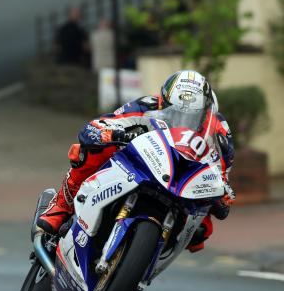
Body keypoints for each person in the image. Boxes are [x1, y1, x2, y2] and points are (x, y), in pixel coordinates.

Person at [37, 70, 235, 252]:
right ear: (163, 103)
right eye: (175, 113)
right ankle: (61, 206)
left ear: (205, 112)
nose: (182, 120)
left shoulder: (219, 131)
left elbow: (222, 174)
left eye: (191, 116)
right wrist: (106, 132)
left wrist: (223, 193)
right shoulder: (147, 105)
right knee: (89, 150)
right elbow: (100, 124)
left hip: (185, 178)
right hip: (143, 163)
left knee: (202, 229)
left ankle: (147, 257)